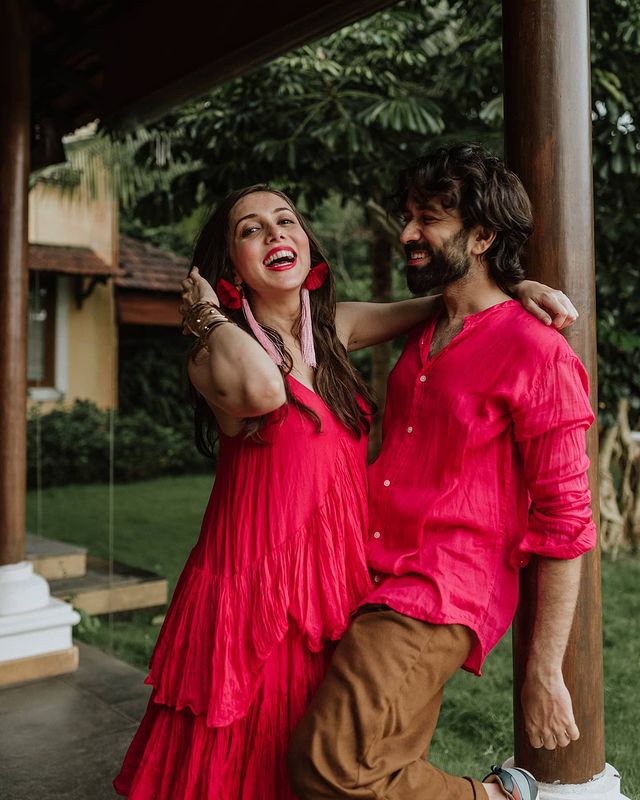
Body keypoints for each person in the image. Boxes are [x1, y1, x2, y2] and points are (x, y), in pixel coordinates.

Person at [113, 183, 577, 800]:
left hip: (329, 585)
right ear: (231, 266)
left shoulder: (330, 332)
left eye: (286, 221)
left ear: (307, 243)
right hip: (252, 590)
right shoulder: (215, 351)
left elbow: (449, 303)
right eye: (251, 230)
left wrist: (514, 287)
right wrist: (206, 313)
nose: (275, 234)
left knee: (316, 755)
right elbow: (267, 390)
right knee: (250, 763)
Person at [287, 145, 596, 800]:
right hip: (369, 570)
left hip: (441, 587)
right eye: (409, 216)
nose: (407, 233)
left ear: (482, 236)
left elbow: (567, 522)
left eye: (428, 218)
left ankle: (502, 797)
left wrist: (543, 671)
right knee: (378, 767)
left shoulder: (537, 352)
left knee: (333, 765)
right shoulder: (428, 334)